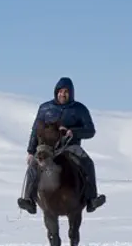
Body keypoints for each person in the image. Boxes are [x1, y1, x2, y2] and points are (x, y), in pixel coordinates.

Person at [18, 77, 106, 214]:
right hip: (48, 146)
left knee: (88, 163)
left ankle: (91, 199)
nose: (62, 94)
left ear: (71, 93)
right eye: (60, 91)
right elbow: (36, 131)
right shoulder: (45, 108)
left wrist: (74, 132)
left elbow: (90, 131)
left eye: (66, 91)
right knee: (33, 165)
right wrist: (30, 151)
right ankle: (28, 199)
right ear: (56, 92)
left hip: (71, 146)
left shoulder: (79, 109)